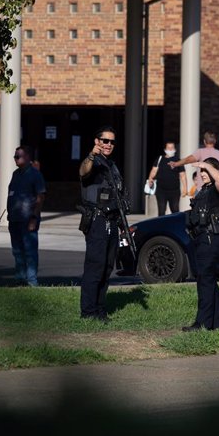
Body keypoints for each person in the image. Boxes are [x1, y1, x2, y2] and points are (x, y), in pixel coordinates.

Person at [77, 125, 128, 322]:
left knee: (107, 266)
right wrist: (91, 155)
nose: (108, 144)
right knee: (95, 266)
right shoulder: (92, 161)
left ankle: (99, 309)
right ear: (97, 142)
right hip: (97, 220)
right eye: (105, 141)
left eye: (112, 141)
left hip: (113, 220)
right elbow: (83, 172)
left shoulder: (111, 165)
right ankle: (88, 311)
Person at [182, 157, 219, 331]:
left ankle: (202, 324)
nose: (203, 174)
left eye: (206, 171)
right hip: (200, 239)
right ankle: (217, 323)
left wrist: (206, 164)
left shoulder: (217, 190)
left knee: (205, 281)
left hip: (210, 239)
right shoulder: (203, 191)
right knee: (206, 280)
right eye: (201, 172)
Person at [7, 145, 46, 287]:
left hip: (28, 219)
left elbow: (40, 196)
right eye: (15, 156)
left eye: (18, 156)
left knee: (29, 251)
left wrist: (34, 218)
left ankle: (31, 281)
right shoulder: (15, 174)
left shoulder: (35, 175)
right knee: (17, 251)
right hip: (15, 219)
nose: (15, 159)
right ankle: (20, 279)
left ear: (27, 157)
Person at [147, 141, 187, 216]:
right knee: (161, 211)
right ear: (165, 149)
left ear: (175, 149)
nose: (170, 150)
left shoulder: (178, 160)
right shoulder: (160, 159)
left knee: (175, 211)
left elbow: (183, 175)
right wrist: (150, 178)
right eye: (168, 148)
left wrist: (185, 188)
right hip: (161, 191)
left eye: (172, 148)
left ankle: (175, 227)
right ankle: (161, 227)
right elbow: (154, 170)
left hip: (174, 191)